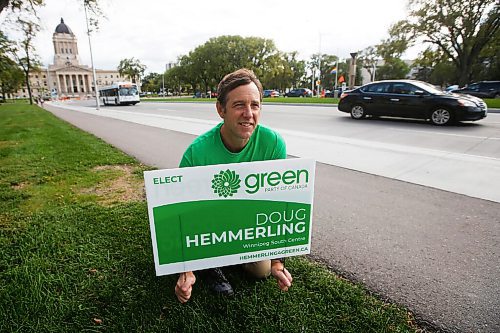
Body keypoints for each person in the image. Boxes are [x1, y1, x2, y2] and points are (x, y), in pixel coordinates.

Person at [175, 68, 293, 303]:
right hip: (209, 224)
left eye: (255, 105)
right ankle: (209, 267)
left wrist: (278, 260)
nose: (248, 114)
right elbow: (181, 215)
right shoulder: (197, 153)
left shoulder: (273, 144)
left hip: (248, 222)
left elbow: (279, 206)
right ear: (221, 109)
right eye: (239, 105)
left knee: (261, 271)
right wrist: (185, 269)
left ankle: (227, 256)